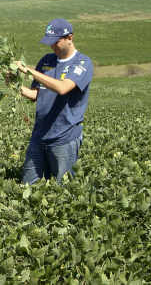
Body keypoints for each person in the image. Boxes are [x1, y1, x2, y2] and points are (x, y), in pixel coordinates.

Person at [15, 18, 94, 185]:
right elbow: (35, 94)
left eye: (56, 42)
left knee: (62, 188)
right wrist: (14, 85)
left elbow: (63, 88)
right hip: (39, 135)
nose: (52, 46)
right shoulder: (46, 61)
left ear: (70, 38)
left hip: (64, 137)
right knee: (28, 185)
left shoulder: (82, 63)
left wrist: (28, 70)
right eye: (49, 42)